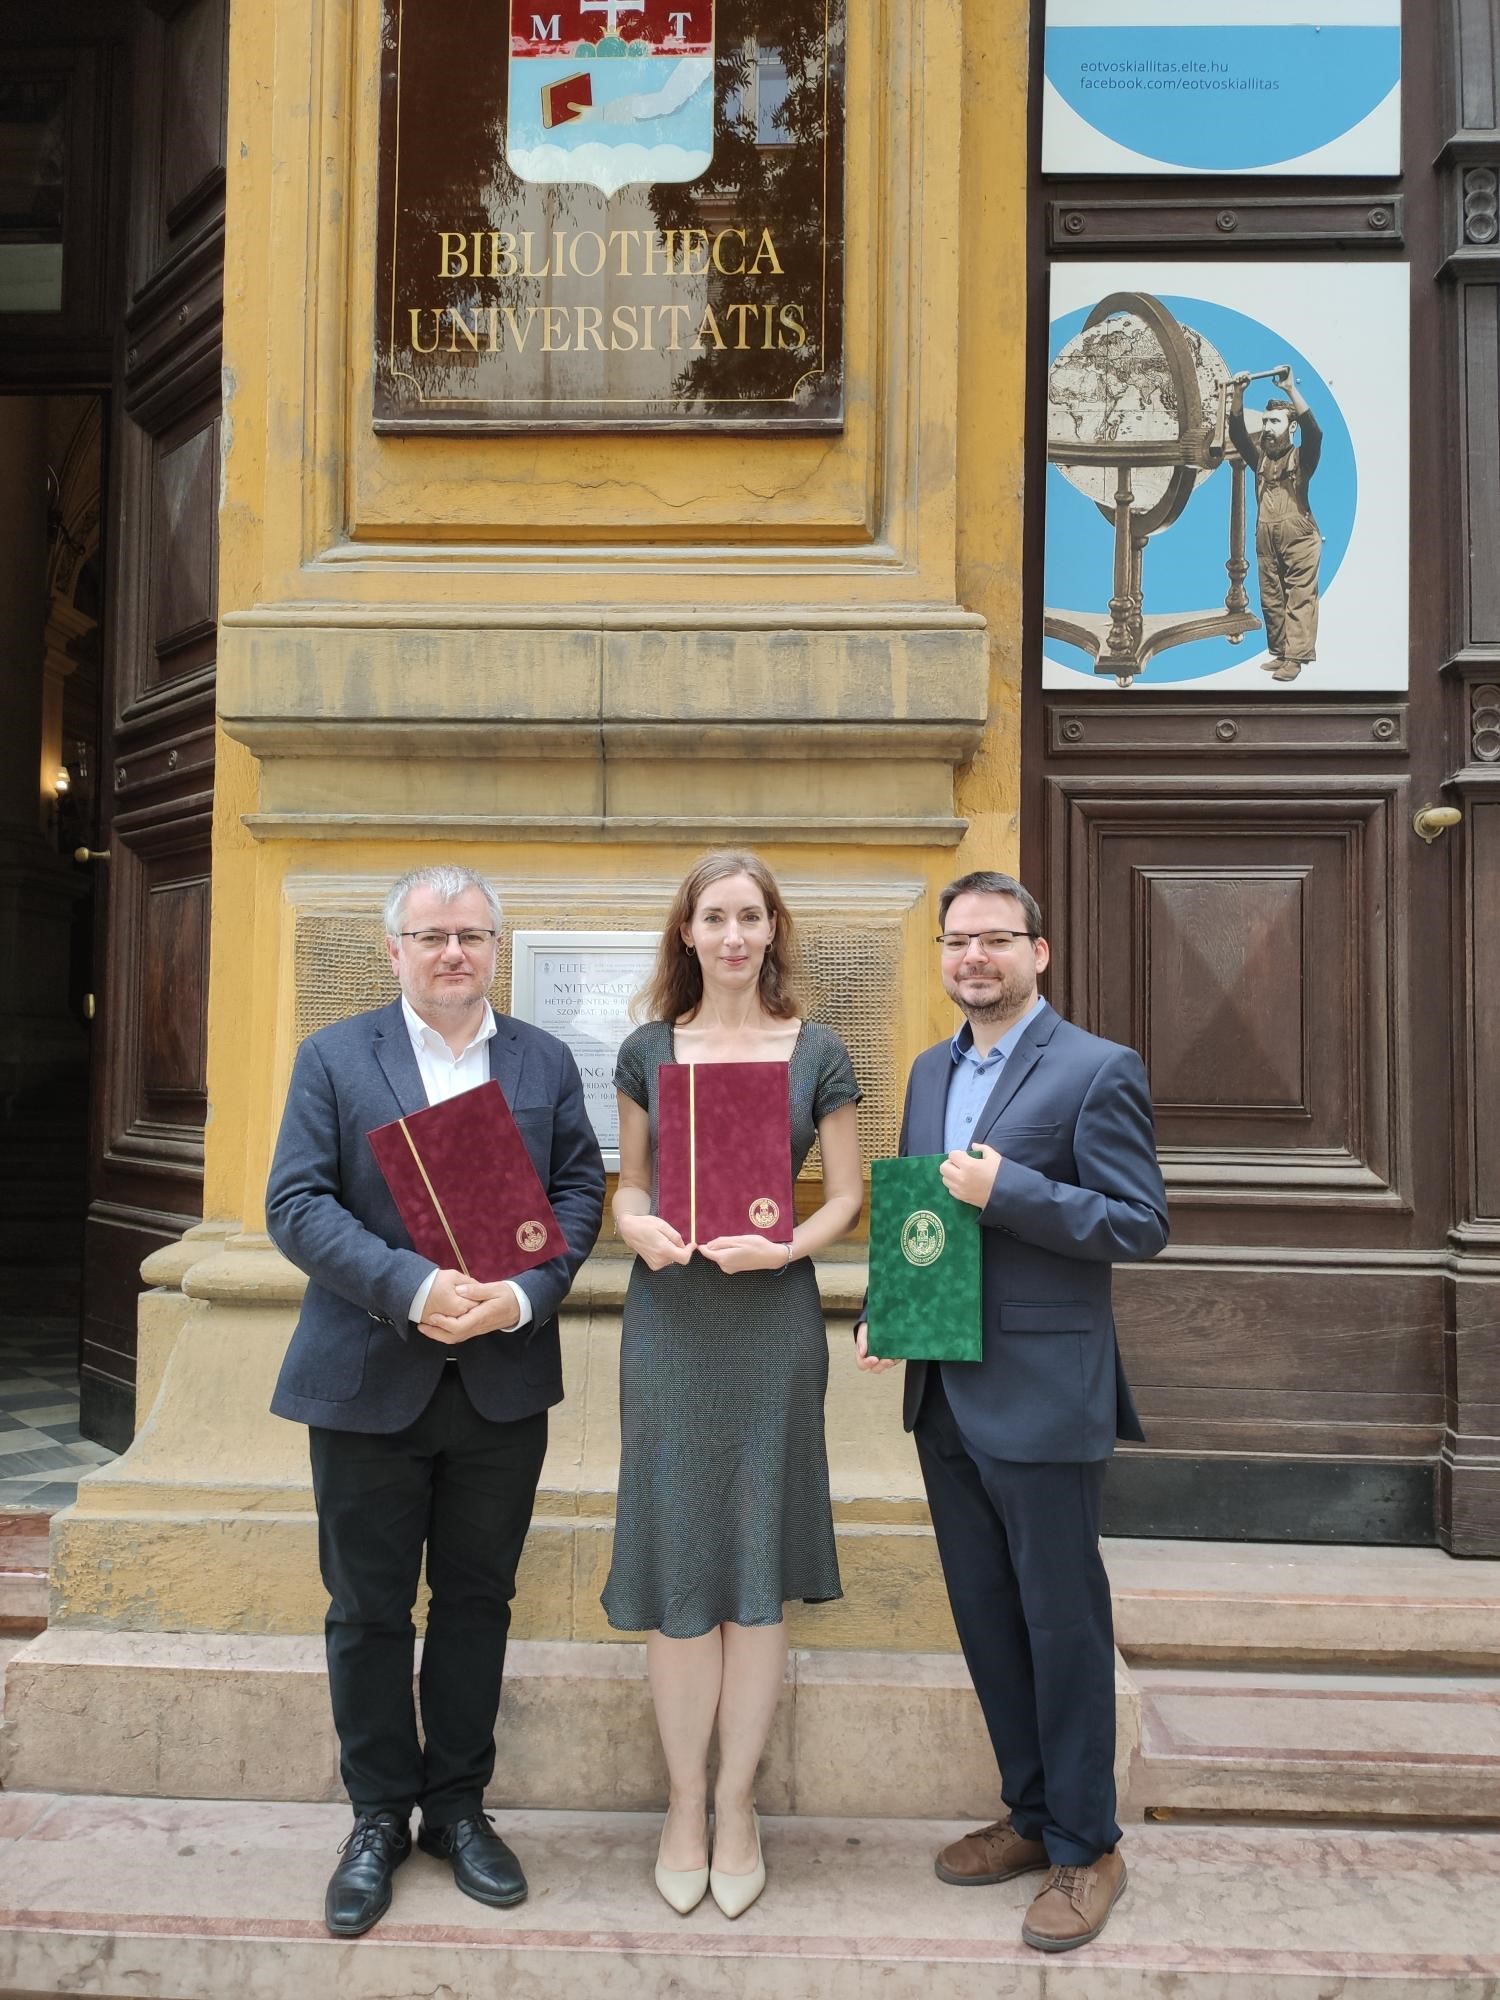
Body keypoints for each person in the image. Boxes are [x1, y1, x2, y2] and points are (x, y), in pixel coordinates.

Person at [265, 864, 605, 1939]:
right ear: (394, 950)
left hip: (499, 1381)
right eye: (431, 934)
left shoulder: (543, 1060)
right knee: (365, 1609)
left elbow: (580, 1190)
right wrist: (411, 1286)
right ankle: (376, 1815)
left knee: (476, 1602)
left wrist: (517, 1293)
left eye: (471, 933)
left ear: (495, 946)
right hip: (369, 1378)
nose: (453, 950)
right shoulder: (335, 1055)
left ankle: (456, 1807)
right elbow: (295, 1202)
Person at [855, 869, 1167, 1955]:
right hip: (943, 1383)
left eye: (995, 938)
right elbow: (919, 1205)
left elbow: (1139, 1221)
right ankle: (1032, 1812)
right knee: (989, 1618)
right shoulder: (931, 1068)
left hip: (1041, 1395)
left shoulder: (1095, 1068)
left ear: (1040, 949)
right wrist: (889, 1308)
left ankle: (1090, 1844)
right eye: (956, 941)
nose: (972, 957)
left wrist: (1016, 1192)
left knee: (1062, 1622)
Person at [604, 850, 863, 1919]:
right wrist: (637, 1226)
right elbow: (625, 1183)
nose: (733, 934)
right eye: (714, 915)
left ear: (772, 930)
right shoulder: (646, 1049)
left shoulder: (820, 1051)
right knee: (680, 1560)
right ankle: (682, 1803)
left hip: (770, 1318)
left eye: (751, 915)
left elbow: (847, 1194)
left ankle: (740, 1802)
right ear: (688, 932)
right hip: (670, 1319)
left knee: (754, 1559)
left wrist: (788, 1246)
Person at [1228, 365, 1323, 682]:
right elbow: (1238, 434)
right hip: (1266, 539)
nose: (1268, 428)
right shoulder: (1261, 459)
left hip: (1299, 539)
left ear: (1291, 427)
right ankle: (1281, 653)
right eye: (1266, 422)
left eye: (1275, 422)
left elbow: (1316, 432)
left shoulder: (1302, 457)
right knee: (1272, 599)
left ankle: (1295, 660)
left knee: (1298, 599)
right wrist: (1238, 397)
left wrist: (1290, 390)